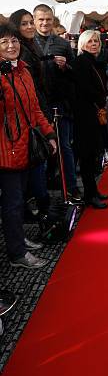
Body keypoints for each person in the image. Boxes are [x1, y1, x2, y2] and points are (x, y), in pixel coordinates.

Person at [0, 23, 56, 268]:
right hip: (5, 151)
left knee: (20, 199)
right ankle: (17, 254)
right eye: (4, 42)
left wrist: (49, 133)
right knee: (12, 204)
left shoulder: (23, 70)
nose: (11, 46)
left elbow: (34, 109)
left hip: (26, 147)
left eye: (14, 41)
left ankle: (18, 240)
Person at [32, 4, 81, 202]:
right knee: (39, 149)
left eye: (48, 19)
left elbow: (74, 74)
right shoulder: (27, 43)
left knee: (64, 147)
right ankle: (39, 193)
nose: (44, 23)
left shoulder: (62, 43)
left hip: (60, 104)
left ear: (53, 20)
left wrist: (65, 67)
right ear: (35, 20)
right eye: (41, 19)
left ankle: (71, 187)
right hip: (36, 105)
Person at [9, 9, 52, 218]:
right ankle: (39, 207)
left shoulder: (31, 47)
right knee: (33, 170)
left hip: (36, 113)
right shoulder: (20, 52)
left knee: (35, 168)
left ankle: (37, 206)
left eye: (30, 23)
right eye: (24, 24)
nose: (29, 27)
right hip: (25, 123)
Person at [72, 30, 108, 208]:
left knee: (93, 155)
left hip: (92, 114)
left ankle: (93, 191)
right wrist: (103, 100)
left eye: (96, 41)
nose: (94, 44)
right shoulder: (81, 62)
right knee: (87, 157)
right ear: (82, 44)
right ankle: (90, 195)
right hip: (84, 116)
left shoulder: (94, 61)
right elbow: (86, 89)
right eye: (90, 41)